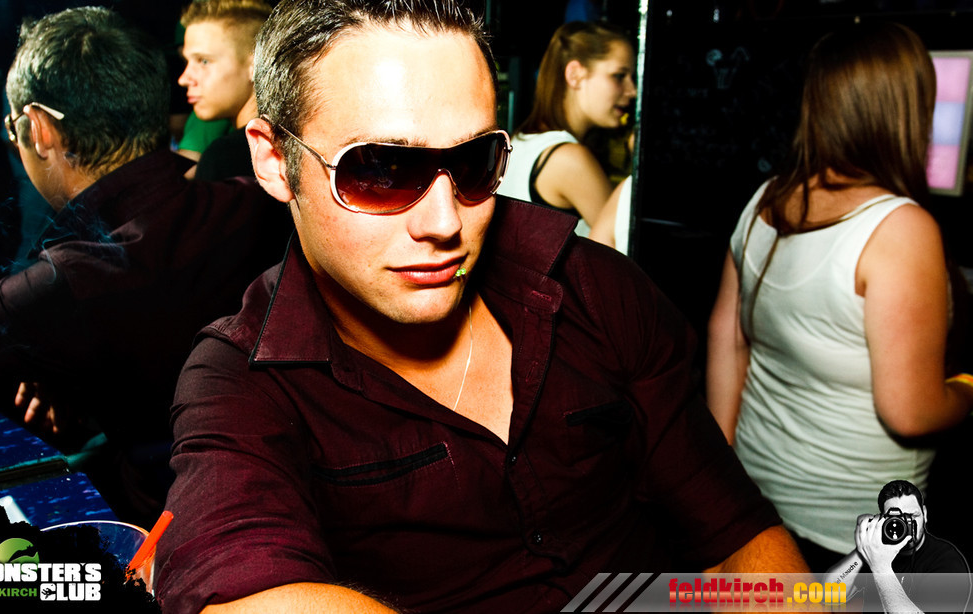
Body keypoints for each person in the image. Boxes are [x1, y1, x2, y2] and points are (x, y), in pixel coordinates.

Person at [154, 1, 808, 612]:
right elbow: (241, 582)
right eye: (380, 170)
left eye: (474, 162)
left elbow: (735, 533)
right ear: (275, 160)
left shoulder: (594, 287)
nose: (445, 223)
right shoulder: (241, 378)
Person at [0, 6, 291, 527]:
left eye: (12, 129)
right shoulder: (258, 204)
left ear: (37, 129)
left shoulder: (76, 279)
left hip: (169, 530)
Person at [706, 21, 973, 572]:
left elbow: (727, 340)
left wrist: (720, 481)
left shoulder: (766, 200)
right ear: (906, 109)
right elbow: (911, 412)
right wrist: (968, 387)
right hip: (855, 532)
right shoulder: (901, 228)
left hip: (757, 510)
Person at [496, 20, 635, 239]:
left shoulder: (523, 140)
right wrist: (637, 161)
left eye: (632, 78)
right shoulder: (570, 158)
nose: (632, 91)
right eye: (619, 76)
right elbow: (625, 243)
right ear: (575, 75)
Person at [823, 480, 970, 612]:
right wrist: (863, 547)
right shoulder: (876, 551)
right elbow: (829, 595)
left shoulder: (947, 561)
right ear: (883, 520)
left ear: (924, 514)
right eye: (896, 519)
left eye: (912, 516)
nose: (905, 525)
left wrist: (881, 569)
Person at [177, 0, 272, 180]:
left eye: (204, 61)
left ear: (255, 65)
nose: (184, 79)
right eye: (186, 61)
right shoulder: (292, 140)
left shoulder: (223, 158)